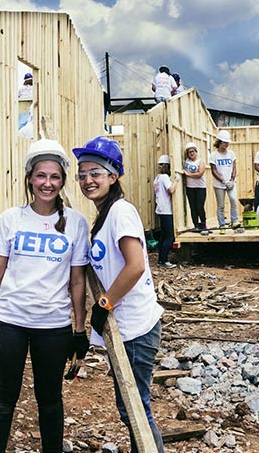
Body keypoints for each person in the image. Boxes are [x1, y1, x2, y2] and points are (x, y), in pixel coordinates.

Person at [0, 139, 90, 453]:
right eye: (41, 176)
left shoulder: (76, 224)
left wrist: (79, 331)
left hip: (52, 326)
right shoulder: (11, 219)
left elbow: (77, 282)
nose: (47, 183)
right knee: (2, 399)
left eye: (54, 177)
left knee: (50, 401)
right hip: (10, 321)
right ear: (29, 178)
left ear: (63, 181)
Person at [73, 136, 165, 453]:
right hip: (123, 328)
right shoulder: (105, 215)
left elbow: (136, 265)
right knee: (131, 408)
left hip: (136, 327)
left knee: (136, 410)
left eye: (95, 173)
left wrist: (105, 303)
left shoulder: (121, 212)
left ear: (113, 176)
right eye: (82, 174)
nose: (88, 180)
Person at [209, 130, 239, 231]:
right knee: (221, 205)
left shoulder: (231, 154)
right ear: (220, 142)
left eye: (227, 142)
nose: (226, 144)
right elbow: (214, 170)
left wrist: (231, 180)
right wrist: (223, 181)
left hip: (231, 183)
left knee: (233, 200)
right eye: (224, 142)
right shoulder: (214, 155)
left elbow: (234, 168)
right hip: (219, 184)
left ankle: (234, 221)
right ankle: (222, 225)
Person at [154, 155, 180, 268]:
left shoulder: (157, 178)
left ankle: (161, 260)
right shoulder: (164, 177)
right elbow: (171, 190)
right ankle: (164, 261)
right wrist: (176, 181)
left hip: (160, 209)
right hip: (166, 210)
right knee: (169, 237)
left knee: (163, 236)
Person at [180, 142, 208, 234]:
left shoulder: (200, 161)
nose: (191, 153)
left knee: (200, 206)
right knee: (193, 207)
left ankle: (203, 224)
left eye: (193, 151)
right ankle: (196, 225)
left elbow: (200, 174)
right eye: (189, 152)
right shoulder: (187, 161)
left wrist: (188, 174)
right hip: (190, 187)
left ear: (196, 152)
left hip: (200, 187)